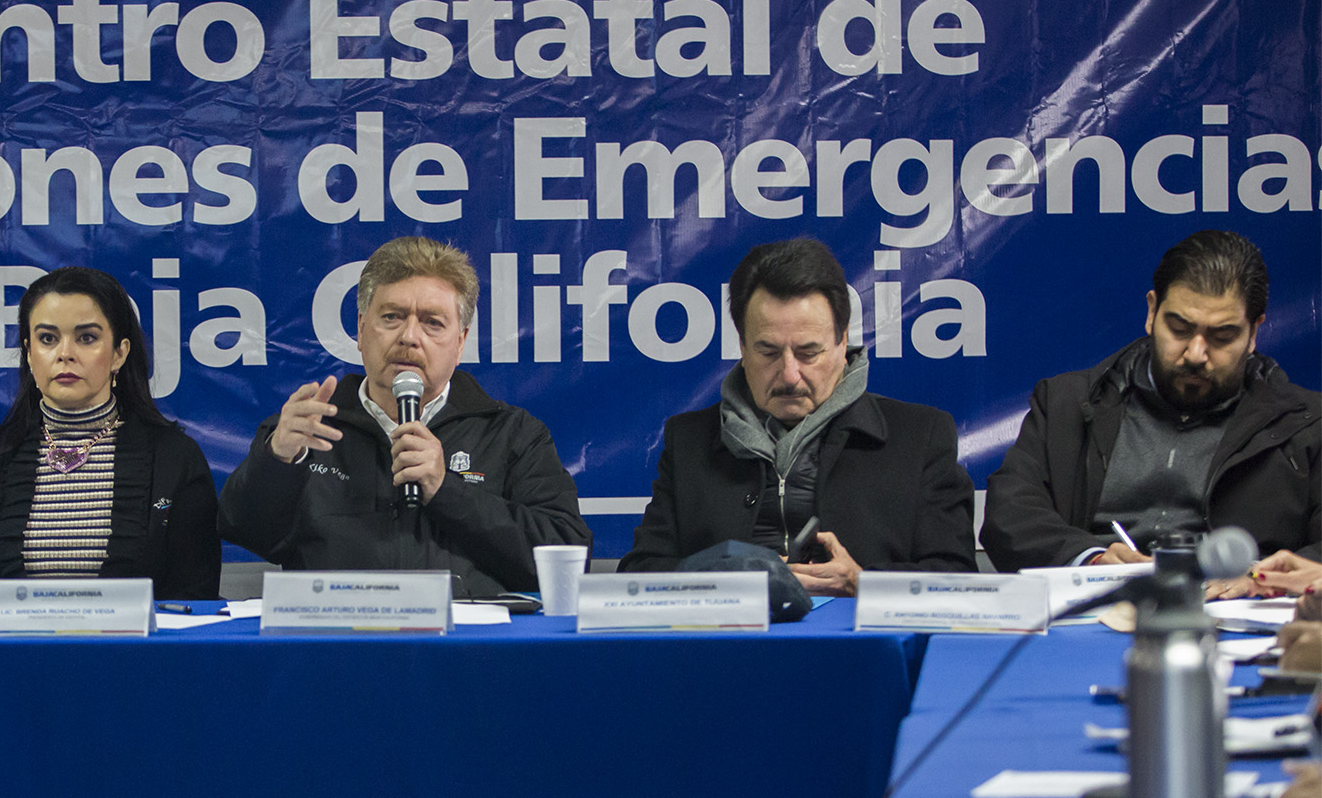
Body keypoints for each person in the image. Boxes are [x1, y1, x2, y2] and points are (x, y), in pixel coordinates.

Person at [218, 237, 590, 597]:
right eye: (392, 317)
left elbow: (567, 559)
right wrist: (278, 460)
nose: (410, 337)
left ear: (460, 342)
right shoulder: (308, 429)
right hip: (339, 648)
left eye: (432, 322)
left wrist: (447, 490)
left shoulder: (512, 433)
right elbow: (244, 532)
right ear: (362, 330)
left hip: (467, 651)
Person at [617, 238, 976, 595]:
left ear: (842, 342)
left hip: (858, 649)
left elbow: (956, 579)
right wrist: (721, 580)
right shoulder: (689, 441)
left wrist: (863, 583)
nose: (789, 375)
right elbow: (640, 574)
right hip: (727, 648)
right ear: (742, 347)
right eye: (768, 352)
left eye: (808, 352)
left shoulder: (918, 436)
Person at [981, 230, 1321, 572]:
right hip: (1094, 603)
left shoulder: (1307, 426)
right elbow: (1009, 517)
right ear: (1152, 312)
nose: (1195, 353)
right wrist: (1091, 559)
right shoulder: (1066, 404)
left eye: (1222, 336)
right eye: (1180, 328)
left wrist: (1265, 576)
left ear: (1254, 333)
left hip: (1241, 607)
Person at [0, 267, 219, 599]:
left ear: (119, 353)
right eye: (47, 338)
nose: (65, 353)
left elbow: (196, 599)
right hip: (8, 651)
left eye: (86, 338)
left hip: (132, 652)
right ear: (28, 352)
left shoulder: (175, 458)